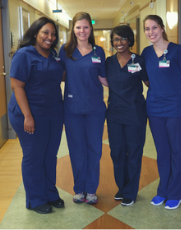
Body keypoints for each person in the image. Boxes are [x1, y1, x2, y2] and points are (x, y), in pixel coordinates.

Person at [8, 17, 65, 214]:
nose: (50, 37)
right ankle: (36, 198)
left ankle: (50, 193)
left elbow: (60, 75)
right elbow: (17, 86)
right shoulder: (24, 55)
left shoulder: (54, 55)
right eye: (45, 33)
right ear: (35, 33)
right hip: (29, 113)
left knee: (50, 155)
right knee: (34, 156)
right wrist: (28, 116)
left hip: (53, 112)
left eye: (53, 34)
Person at [141, 15, 181, 210]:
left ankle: (175, 193)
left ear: (162, 28)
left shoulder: (178, 50)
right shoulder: (146, 53)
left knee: (176, 151)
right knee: (162, 152)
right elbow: (147, 79)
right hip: (154, 108)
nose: (151, 32)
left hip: (176, 108)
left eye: (154, 27)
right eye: (147, 29)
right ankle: (163, 190)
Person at [59, 12, 108, 204]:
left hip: (95, 108)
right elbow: (59, 75)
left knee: (95, 149)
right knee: (77, 149)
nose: (82, 31)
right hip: (72, 109)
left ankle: (91, 189)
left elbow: (104, 78)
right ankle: (79, 189)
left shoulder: (99, 51)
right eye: (78, 27)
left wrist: (126, 83)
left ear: (91, 29)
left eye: (86, 27)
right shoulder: (65, 51)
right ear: (73, 29)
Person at [106, 25, 149, 206]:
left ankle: (130, 191)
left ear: (130, 40)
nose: (120, 42)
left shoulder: (138, 60)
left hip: (135, 113)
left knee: (134, 153)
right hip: (115, 113)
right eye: (116, 39)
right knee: (117, 153)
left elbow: (149, 82)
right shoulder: (108, 62)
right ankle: (122, 187)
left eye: (123, 38)